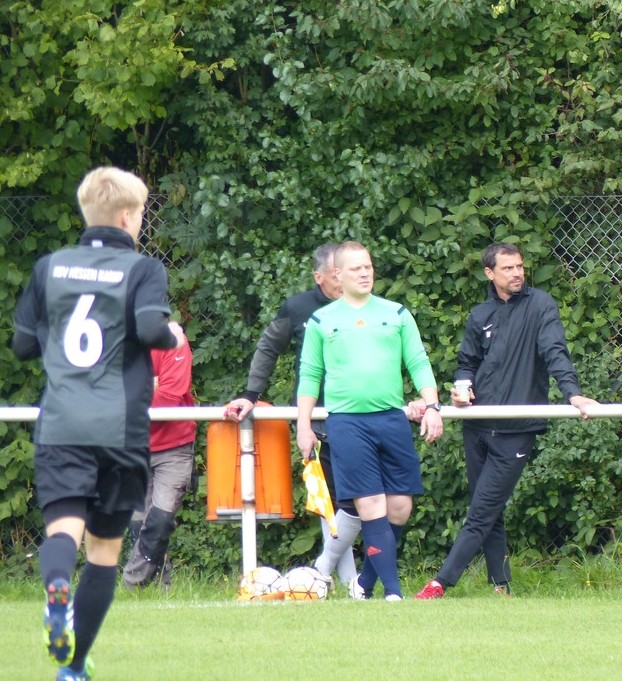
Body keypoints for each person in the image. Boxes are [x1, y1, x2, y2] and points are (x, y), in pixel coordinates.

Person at [13, 167, 185, 681]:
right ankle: (71, 669)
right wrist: (172, 336)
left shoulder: (49, 267)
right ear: (129, 217)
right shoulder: (142, 268)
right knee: (104, 551)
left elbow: (23, 345)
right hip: (120, 427)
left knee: (63, 528)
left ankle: (55, 588)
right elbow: (150, 328)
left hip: (62, 422)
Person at [415, 241, 598, 600]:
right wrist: (462, 390)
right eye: (508, 268)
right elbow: (467, 363)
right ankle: (501, 588)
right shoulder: (480, 314)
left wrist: (573, 394)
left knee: (480, 513)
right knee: (489, 509)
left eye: (519, 266)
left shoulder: (541, 305)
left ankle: (440, 584)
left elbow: (555, 351)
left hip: (516, 429)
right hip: (477, 425)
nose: (517, 273)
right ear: (490, 273)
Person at [296, 241, 444, 601]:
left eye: (368, 266)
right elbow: (310, 374)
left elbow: (418, 361)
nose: (364, 273)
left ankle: (363, 584)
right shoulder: (322, 320)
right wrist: (303, 425)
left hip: (391, 420)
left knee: (400, 508)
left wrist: (432, 406)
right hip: (347, 423)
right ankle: (393, 593)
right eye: (356, 268)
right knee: (371, 506)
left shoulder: (396, 313)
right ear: (337, 274)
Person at [223, 244, 367, 592]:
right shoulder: (298, 308)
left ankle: (323, 571)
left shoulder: (366, 306)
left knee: (362, 499)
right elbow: (268, 348)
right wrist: (251, 395)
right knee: (329, 500)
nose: (344, 279)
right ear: (319, 277)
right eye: (336, 273)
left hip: (362, 415)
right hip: (315, 421)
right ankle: (347, 583)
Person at [123, 339, 197, 590]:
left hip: (174, 447)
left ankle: (132, 584)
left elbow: (168, 398)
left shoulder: (174, 342)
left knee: (160, 521)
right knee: (139, 525)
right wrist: (152, 383)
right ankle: (157, 589)